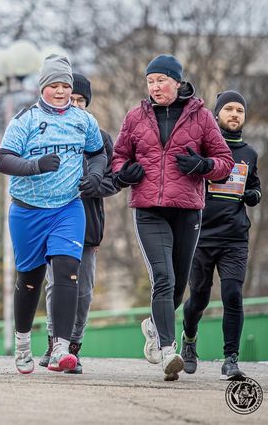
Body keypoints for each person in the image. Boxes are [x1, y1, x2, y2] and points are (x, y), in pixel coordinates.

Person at [112, 54, 234, 381]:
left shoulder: (201, 117)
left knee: (179, 283)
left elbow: (224, 160)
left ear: (177, 82)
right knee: (163, 278)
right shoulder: (136, 116)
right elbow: (119, 156)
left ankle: (153, 325)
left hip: (188, 209)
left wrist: (204, 167)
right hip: (149, 208)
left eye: (161, 80)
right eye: (150, 81)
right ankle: (168, 349)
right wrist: (125, 172)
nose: (155, 87)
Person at [0, 55, 107, 374]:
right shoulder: (25, 120)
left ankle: (61, 348)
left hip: (67, 208)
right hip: (28, 211)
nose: (60, 92)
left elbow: (97, 153)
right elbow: (3, 160)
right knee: (29, 280)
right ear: (42, 88)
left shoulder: (83, 120)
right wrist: (35, 167)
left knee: (67, 271)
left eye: (65, 86)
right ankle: (21, 344)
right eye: (54, 86)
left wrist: (96, 175)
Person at [39, 72, 118, 374]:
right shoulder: (45, 132)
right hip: (53, 220)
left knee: (83, 291)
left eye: (80, 100)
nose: (74, 104)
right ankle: (53, 344)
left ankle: (74, 346)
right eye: (69, 99)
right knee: (55, 286)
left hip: (87, 226)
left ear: (87, 103)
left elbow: (115, 181)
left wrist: (95, 184)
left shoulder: (99, 138)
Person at [181, 90, 261, 380]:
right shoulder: (203, 148)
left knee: (232, 295)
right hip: (201, 236)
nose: (235, 114)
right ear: (216, 115)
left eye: (239, 110)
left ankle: (231, 359)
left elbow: (254, 185)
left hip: (234, 237)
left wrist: (254, 194)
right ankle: (189, 339)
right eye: (228, 109)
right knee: (198, 300)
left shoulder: (250, 154)